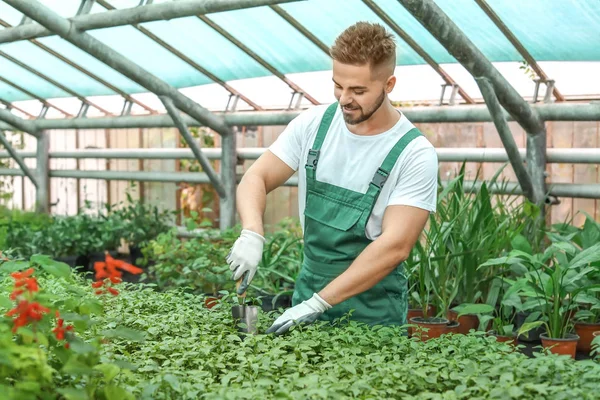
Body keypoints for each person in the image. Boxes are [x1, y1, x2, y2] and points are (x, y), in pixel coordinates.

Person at [226, 22, 438, 335]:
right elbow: (256, 176)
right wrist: (252, 233)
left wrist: (318, 304)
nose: (344, 98)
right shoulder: (315, 124)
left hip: (373, 315)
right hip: (307, 293)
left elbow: (396, 246)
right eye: (338, 85)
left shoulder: (414, 153)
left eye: (359, 90)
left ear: (389, 84)